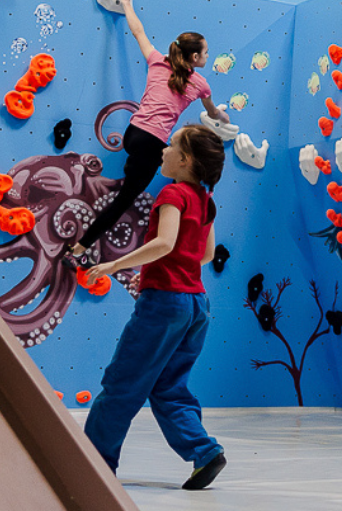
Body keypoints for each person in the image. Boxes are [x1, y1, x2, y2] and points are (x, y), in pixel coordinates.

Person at [83, 125, 228, 489]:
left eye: (171, 145)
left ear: (185, 160)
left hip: (164, 303)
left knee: (122, 383)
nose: (163, 149)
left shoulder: (173, 193)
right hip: (196, 305)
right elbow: (205, 254)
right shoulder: (206, 199)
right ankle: (205, 452)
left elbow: (164, 243)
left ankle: (93, 463)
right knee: (168, 387)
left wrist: (115, 265)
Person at [70, 0, 231, 259]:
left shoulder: (158, 61)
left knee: (130, 187)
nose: (206, 57)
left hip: (132, 134)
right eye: (205, 53)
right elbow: (214, 113)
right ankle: (79, 247)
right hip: (153, 142)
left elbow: (138, 32)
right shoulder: (201, 84)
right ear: (194, 58)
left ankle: (83, 243)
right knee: (124, 201)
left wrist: (128, 4)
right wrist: (224, 117)